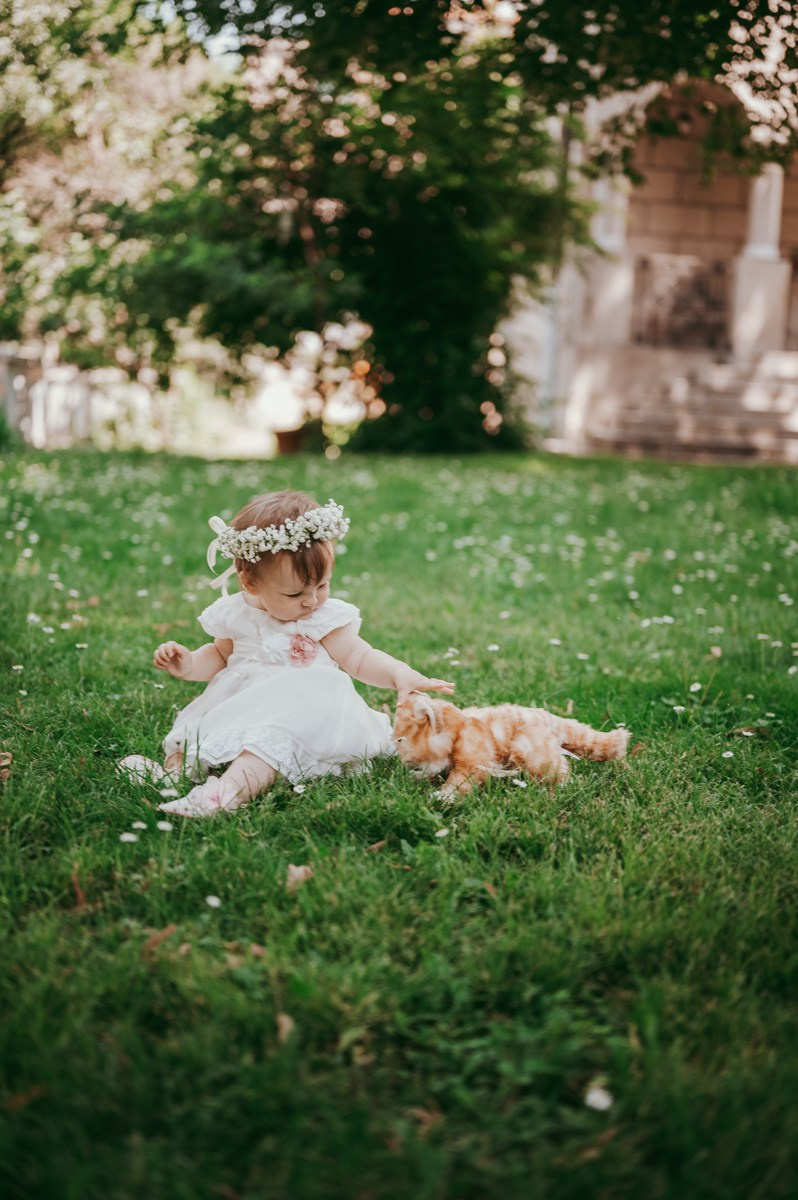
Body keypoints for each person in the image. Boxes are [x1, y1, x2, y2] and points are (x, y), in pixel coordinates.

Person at [117, 490, 454, 818]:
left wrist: (399, 674)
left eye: (322, 586)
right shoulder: (235, 614)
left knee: (265, 747)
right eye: (295, 593)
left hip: (303, 714)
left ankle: (224, 794)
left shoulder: (323, 618)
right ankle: (172, 774)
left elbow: (360, 657)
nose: (311, 600)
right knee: (196, 733)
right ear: (250, 583)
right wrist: (187, 663)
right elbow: (218, 657)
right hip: (244, 702)